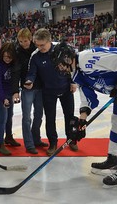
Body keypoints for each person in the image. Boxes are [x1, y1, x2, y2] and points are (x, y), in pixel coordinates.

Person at [52, 42, 117, 187]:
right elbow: (87, 97)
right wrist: (82, 121)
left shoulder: (87, 59)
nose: (59, 68)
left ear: (67, 58)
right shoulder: (76, 72)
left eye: (59, 63)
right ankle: (113, 158)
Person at [25, 28, 77, 156]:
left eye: (42, 45)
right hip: (48, 91)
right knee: (50, 118)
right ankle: (53, 143)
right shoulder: (35, 56)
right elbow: (32, 72)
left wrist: (73, 82)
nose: (39, 47)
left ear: (49, 41)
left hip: (66, 89)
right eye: (37, 44)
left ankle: (71, 140)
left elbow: (73, 67)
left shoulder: (61, 50)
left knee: (69, 116)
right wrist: (29, 81)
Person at [12, 28, 47, 155]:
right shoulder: (17, 52)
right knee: (26, 117)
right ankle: (29, 143)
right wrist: (15, 90)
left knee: (38, 115)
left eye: (25, 41)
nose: (23, 44)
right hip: (27, 89)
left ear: (31, 38)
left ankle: (36, 139)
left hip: (40, 87)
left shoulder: (37, 48)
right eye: (20, 41)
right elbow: (15, 72)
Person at [0, 42, 21, 155]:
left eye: (9, 57)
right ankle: (0, 144)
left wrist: (15, 92)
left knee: (10, 116)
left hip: (9, 92)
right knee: (3, 117)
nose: (7, 59)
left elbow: (15, 79)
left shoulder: (14, 63)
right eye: (5, 56)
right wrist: (3, 98)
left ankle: (8, 137)